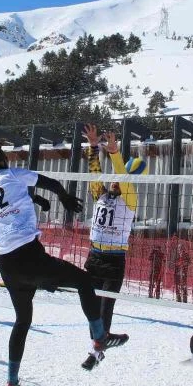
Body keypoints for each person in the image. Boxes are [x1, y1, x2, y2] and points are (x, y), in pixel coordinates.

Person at [0, 139, 128, 386]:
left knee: (22, 322)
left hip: (7, 264)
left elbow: (8, 197)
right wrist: (63, 198)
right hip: (29, 256)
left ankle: (12, 383)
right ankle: (100, 338)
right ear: (0, 159)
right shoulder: (12, 174)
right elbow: (52, 182)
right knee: (83, 281)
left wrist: (38, 200)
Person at [82, 124, 142, 369]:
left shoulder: (130, 197)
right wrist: (94, 147)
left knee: (105, 308)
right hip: (94, 257)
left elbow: (123, 176)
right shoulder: (101, 194)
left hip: (114, 261)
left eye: (120, 179)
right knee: (91, 308)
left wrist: (115, 153)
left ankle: (96, 352)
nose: (116, 181)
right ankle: (102, 341)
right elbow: (94, 172)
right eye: (115, 179)